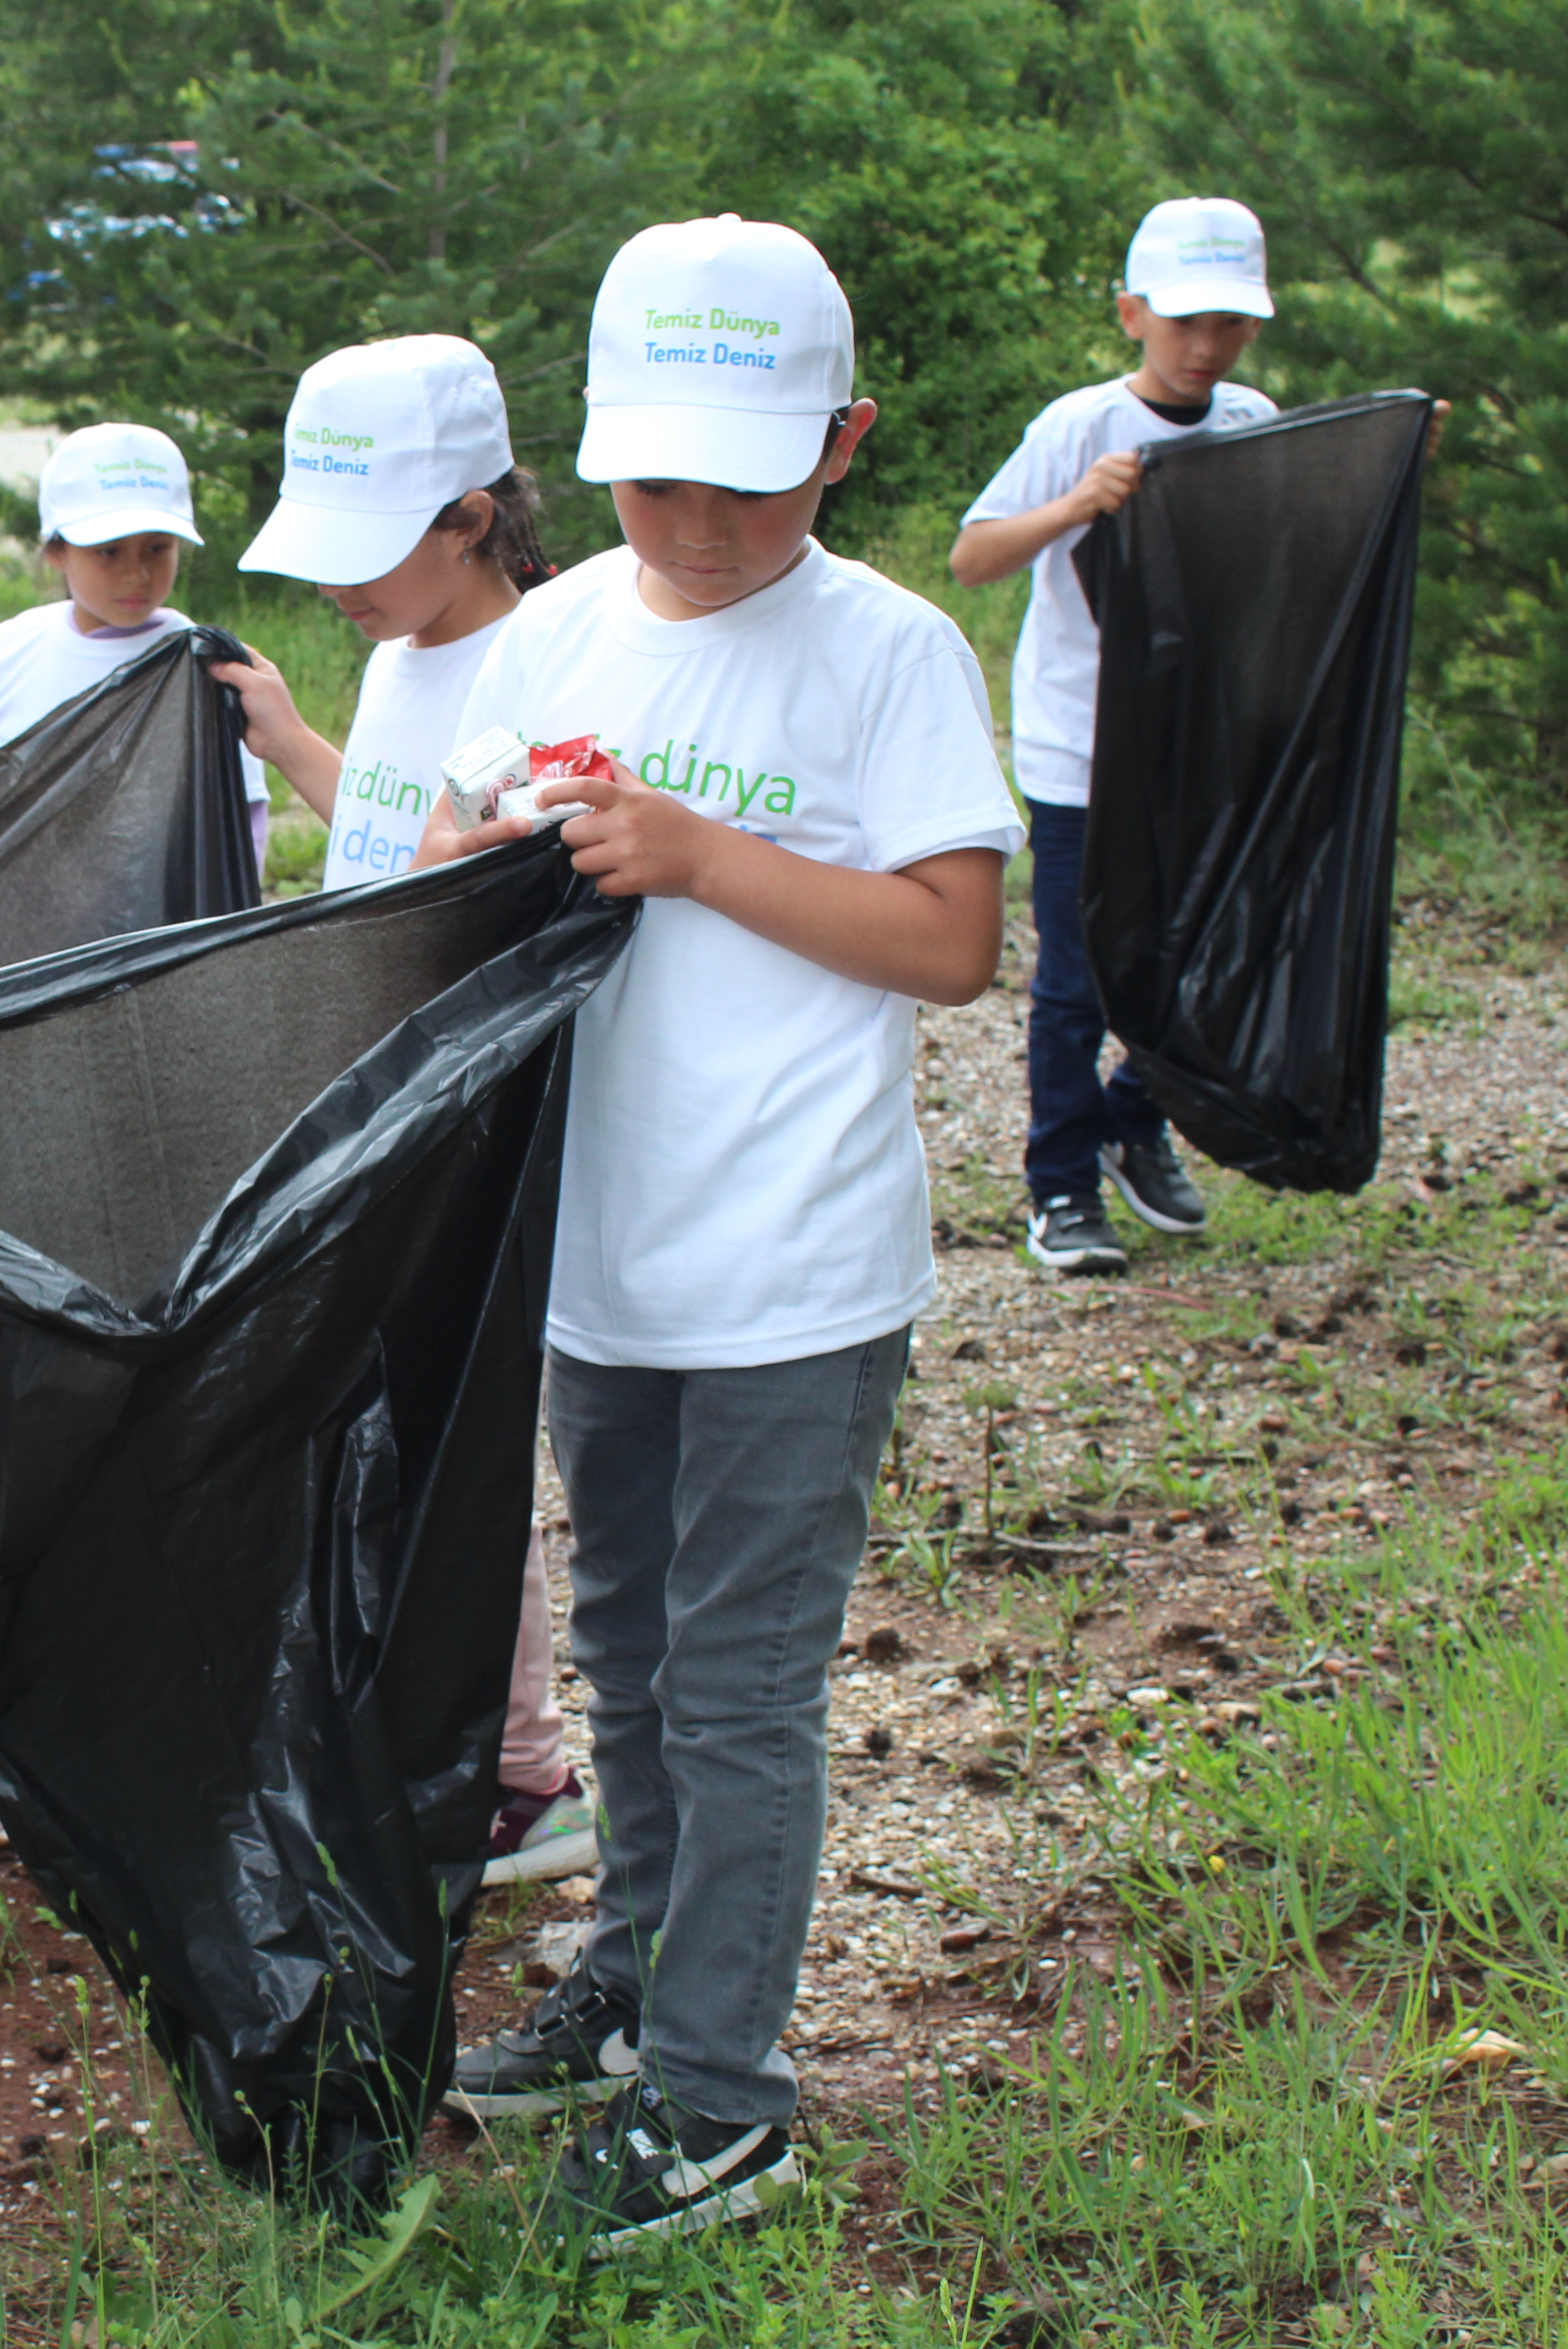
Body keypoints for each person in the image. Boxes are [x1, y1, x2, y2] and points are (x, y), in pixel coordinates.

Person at [428, 215, 1021, 2257]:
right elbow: (442, 849)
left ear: (842, 442)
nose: (686, 518)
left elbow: (953, 939)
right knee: (624, 1646)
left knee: (739, 1680)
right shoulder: (562, 625)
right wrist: (484, 848)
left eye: (739, 478)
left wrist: (698, 859)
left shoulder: (886, 653)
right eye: (649, 473)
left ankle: (719, 2095)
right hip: (609, 1251)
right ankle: (636, 1973)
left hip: (794, 1268)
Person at [196, 334, 597, 1889]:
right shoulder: (394, 656)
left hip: (457, 1107)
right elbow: (377, 838)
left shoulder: (546, 658)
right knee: (374, 1426)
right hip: (369, 1091)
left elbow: (505, 886)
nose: (342, 585)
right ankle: (436, 1738)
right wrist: (293, 736)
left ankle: (518, 1770)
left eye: (369, 553)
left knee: (442, 1432)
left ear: (471, 521)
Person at [952, 196, 1275, 1276]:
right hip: (1081, 759)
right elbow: (976, 557)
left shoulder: (1251, 420)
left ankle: (1139, 1119)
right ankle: (1062, 1186)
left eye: (1230, 325)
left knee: (1200, 965)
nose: (1206, 348)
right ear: (1133, 314)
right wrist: (1077, 507)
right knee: (1079, 985)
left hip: (1200, 757)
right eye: (1185, 322)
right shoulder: (1079, 428)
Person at [0, 423, 265, 824]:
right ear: (56, 550)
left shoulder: (203, 669)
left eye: (158, 549)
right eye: (109, 552)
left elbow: (242, 814)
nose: (136, 574)